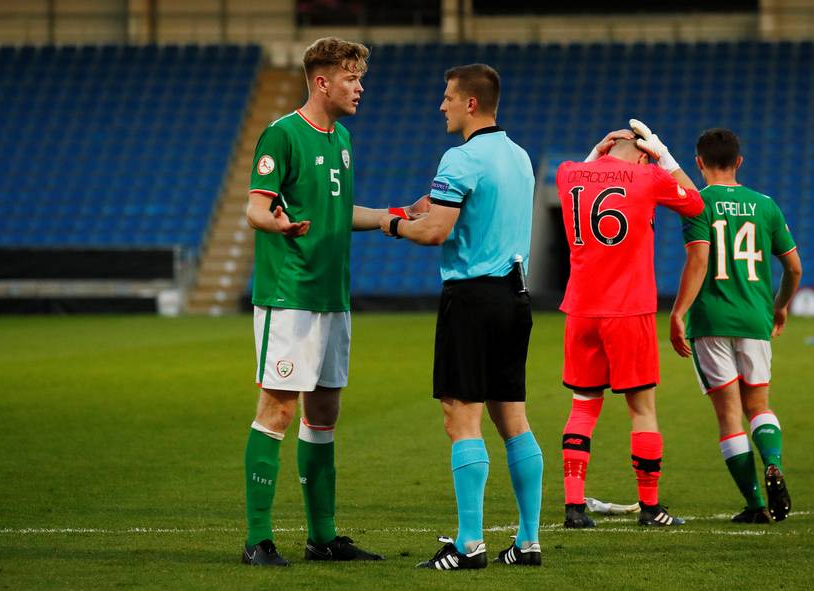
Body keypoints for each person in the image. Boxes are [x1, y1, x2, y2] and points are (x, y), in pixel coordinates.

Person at [242, 36, 426, 566]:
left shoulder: (341, 138)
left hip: (332, 295)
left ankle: (322, 537)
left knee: (324, 412)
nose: (360, 87)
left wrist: (395, 218)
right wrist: (274, 221)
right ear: (322, 81)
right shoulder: (282, 136)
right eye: (351, 78)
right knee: (278, 407)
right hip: (290, 294)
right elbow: (256, 207)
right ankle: (258, 538)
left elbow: (338, 212)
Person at [378, 64, 543, 569]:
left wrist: (393, 223)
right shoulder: (519, 157)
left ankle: (469, 544)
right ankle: (528, 541)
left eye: (448, 96)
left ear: (472, 103)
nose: (441, 105)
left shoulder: (461, 157)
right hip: (515, 298)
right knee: (512, 417)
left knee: (460, 417)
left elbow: (436, 234)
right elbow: (476, 214)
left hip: (472, 300)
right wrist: (430, 210)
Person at [555, 120, 703, 529]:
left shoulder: (568, 172)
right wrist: (665, 155)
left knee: (583, 407)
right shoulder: (648, 175)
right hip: (628, 310)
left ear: (606, 149)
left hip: (581, 310)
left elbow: (576, 180)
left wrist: (595, 152)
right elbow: (694, 202)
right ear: (642, 154)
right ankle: (651, 508)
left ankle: (574, 509)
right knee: (642, 410)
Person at [669, 128, 802, 523]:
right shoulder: (765, 205)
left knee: (729, 417)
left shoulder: (698, 203)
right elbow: (794, 268)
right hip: (754, 319)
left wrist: (678, 312)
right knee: (758, 405)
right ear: (739, 162)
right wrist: (780, 307)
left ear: (699, 162)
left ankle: (756, 504)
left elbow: (698, 261)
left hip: (710, 320)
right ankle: (773, 461)